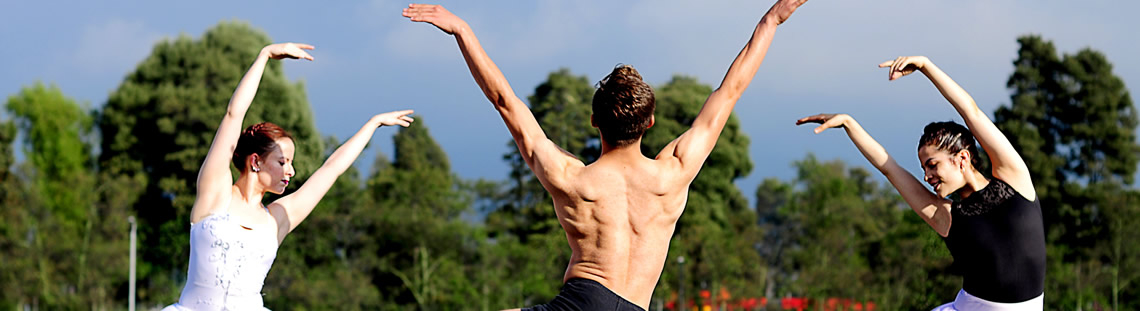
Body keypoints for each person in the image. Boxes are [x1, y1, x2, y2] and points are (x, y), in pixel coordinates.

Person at [403, 1, 806, 309]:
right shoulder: (674, 173)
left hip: (580, 303)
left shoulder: (572, 179)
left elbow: (505, 102)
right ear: (649, 123)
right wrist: (771, 21)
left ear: (594, 121)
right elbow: (729, 92)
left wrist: (462, 31)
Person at [163, 42, 415, 311]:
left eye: (291, 163)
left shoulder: (278, 218)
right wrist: (265, 56)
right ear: (255, 161)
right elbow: (233, 115)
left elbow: (330, 170)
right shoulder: (215, 193)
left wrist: (372, 124)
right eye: (282, 162)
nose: (290, 171)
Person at [796, 56, 1045, 310]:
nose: (926, 176)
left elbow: (971, 111)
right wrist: (850, 124)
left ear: (962, 158)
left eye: (932, 165)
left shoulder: (1015, 179)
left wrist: (926, 66)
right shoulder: (947, 216)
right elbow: (890, 169)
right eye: (924, 168)